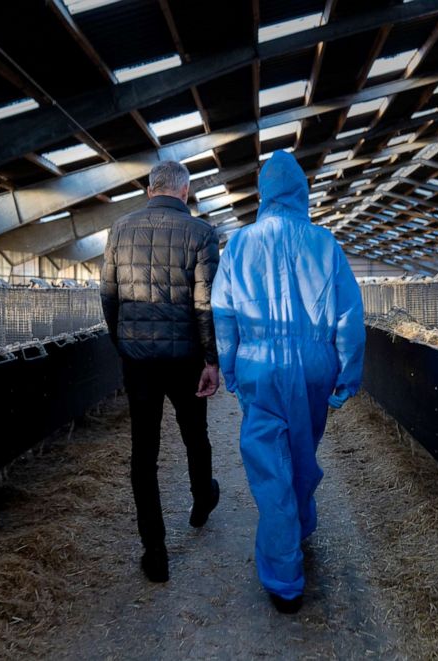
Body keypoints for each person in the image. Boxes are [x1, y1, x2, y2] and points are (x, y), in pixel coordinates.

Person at [211, 151, 365, 614]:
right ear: (302, 193)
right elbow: (350, 318)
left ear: (263, 194)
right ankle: (300, 529)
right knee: (302, 452)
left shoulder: (239, 245)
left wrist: (231, 367)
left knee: (269, 468)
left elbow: (224, 314)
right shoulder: (325, 244)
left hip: (260, 364)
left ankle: (283, 578)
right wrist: (347, 374)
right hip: (315, 366)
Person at [101, 160, 221, 583]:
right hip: (186, 357)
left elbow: (109, 296)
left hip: (139, 359)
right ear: (184, 193)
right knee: (195, 434)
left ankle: (155, 552)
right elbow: (205, 305)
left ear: (150, 189)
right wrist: (211, 360)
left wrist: (124, 344)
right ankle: (203, 498)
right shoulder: (202, 234)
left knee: (144, 453)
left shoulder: (119, 229)